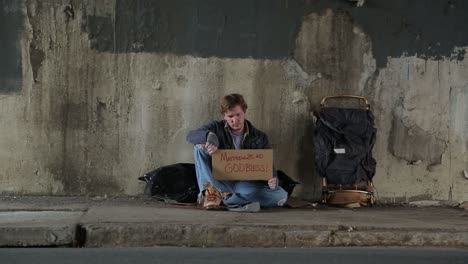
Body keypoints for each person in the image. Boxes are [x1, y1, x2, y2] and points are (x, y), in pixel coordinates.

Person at [186, 93, 288, 210]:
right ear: (224, 116)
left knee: (280, 196)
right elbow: (190, 135)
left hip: (244, 185)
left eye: (238, 115)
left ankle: (226, 200)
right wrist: (208, 135)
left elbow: (268, 167)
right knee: (199, 147)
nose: (235, 120)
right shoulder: (216, 127)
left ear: (244, 112)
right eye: (230, 116)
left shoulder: (259, 137)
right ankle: (211, 195)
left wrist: (273, 179)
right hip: (219, 182)